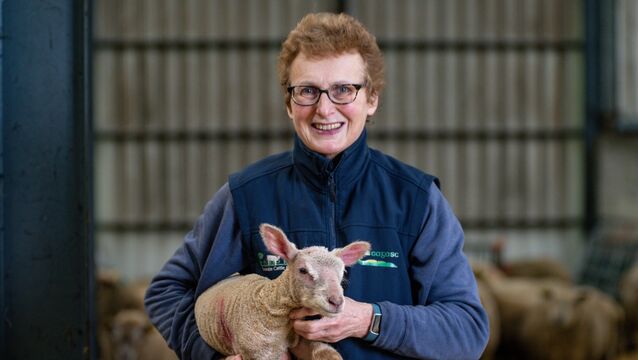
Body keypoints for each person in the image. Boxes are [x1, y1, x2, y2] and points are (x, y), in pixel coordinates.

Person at [145, 12, 489, 360]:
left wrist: (369, 320)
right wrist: (211, 356)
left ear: (371, 99)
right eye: (308, 91)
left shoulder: (415, 200)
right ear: (289, 104)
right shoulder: (247, 195)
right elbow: (167, 291)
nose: (325, 109)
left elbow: (468, 330)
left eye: (343, 89)